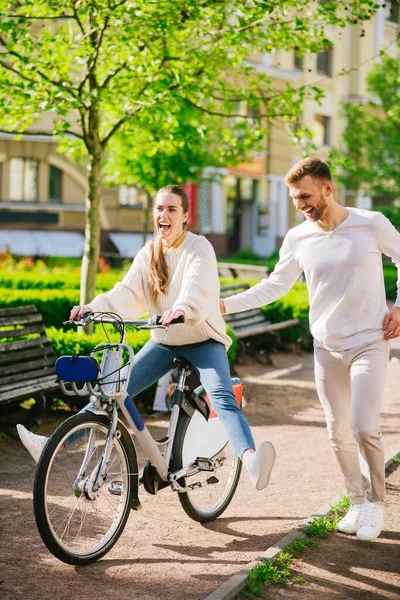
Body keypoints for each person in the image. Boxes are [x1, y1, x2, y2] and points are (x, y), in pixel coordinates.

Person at [17, 184, 276, 491]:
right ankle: (51, 445)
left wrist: (181, 308)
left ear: (185, 217)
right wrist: (93, 308)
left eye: (171, 209)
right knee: (108, 394)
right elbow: (126, 292)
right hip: (165, 342)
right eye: (159, 208)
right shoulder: (149, 253)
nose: (163, 215)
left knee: (222, 398)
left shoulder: (199, 247)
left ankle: (251, 460)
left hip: (204, 339)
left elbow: (197, 286)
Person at [220, 157, 400, 541]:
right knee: (337, 434)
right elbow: (275, 286)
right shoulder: (298, 238)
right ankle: (356, 501)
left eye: (305, 195)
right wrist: (224, 305)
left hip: (370, 341)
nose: (300, 204)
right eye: (293, 198)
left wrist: (399, 306)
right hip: (326, 348)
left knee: (364, 427)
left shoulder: (371, 223)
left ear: (327, 189)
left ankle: (374, 504)